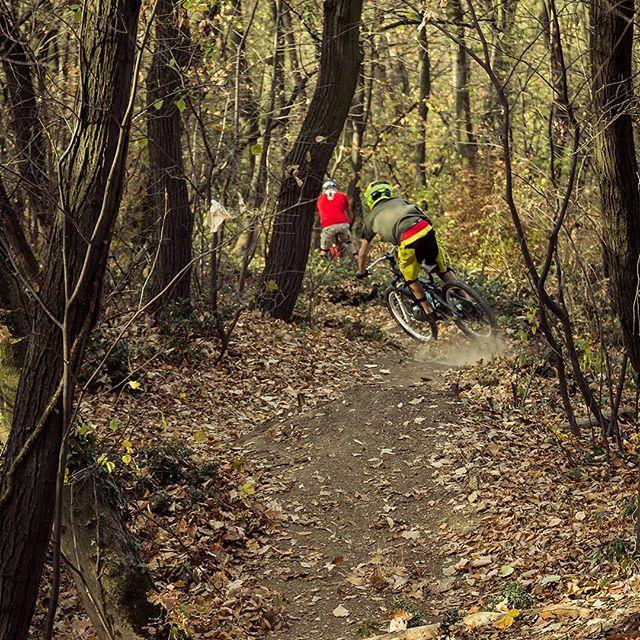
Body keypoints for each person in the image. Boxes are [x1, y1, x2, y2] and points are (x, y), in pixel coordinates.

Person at [356, 180, 455, 325]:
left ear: (370, 199)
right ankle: (467, 298)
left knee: (410, 279)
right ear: (388, 192)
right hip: (425, 228)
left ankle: (429, 312)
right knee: (442, 269)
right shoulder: (399, 200)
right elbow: (424, 214)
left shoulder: (370, 219)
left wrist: (361, 271)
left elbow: (362, 253)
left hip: (408, 240)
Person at [316, 178, 357, 259]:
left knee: (324, 249)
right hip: (343, 224)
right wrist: (349, 222)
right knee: (348, 242)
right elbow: (349, 213)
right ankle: (356, 256)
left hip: (328, 226)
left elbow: (317, 212)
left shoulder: (319, 199)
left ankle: (321, 263)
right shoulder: (342, 196)